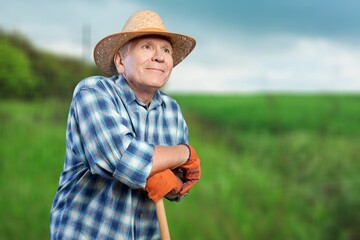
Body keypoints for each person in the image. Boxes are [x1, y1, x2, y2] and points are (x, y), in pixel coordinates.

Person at [50, 10, 201, 239]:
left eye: (166, 50)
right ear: (121, 61)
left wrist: (174, 183)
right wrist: (184, 153)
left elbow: (178, 185)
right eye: (147, 47)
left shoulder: (172, 111)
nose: (159, 57)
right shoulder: (93, 91)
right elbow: (121, 158)